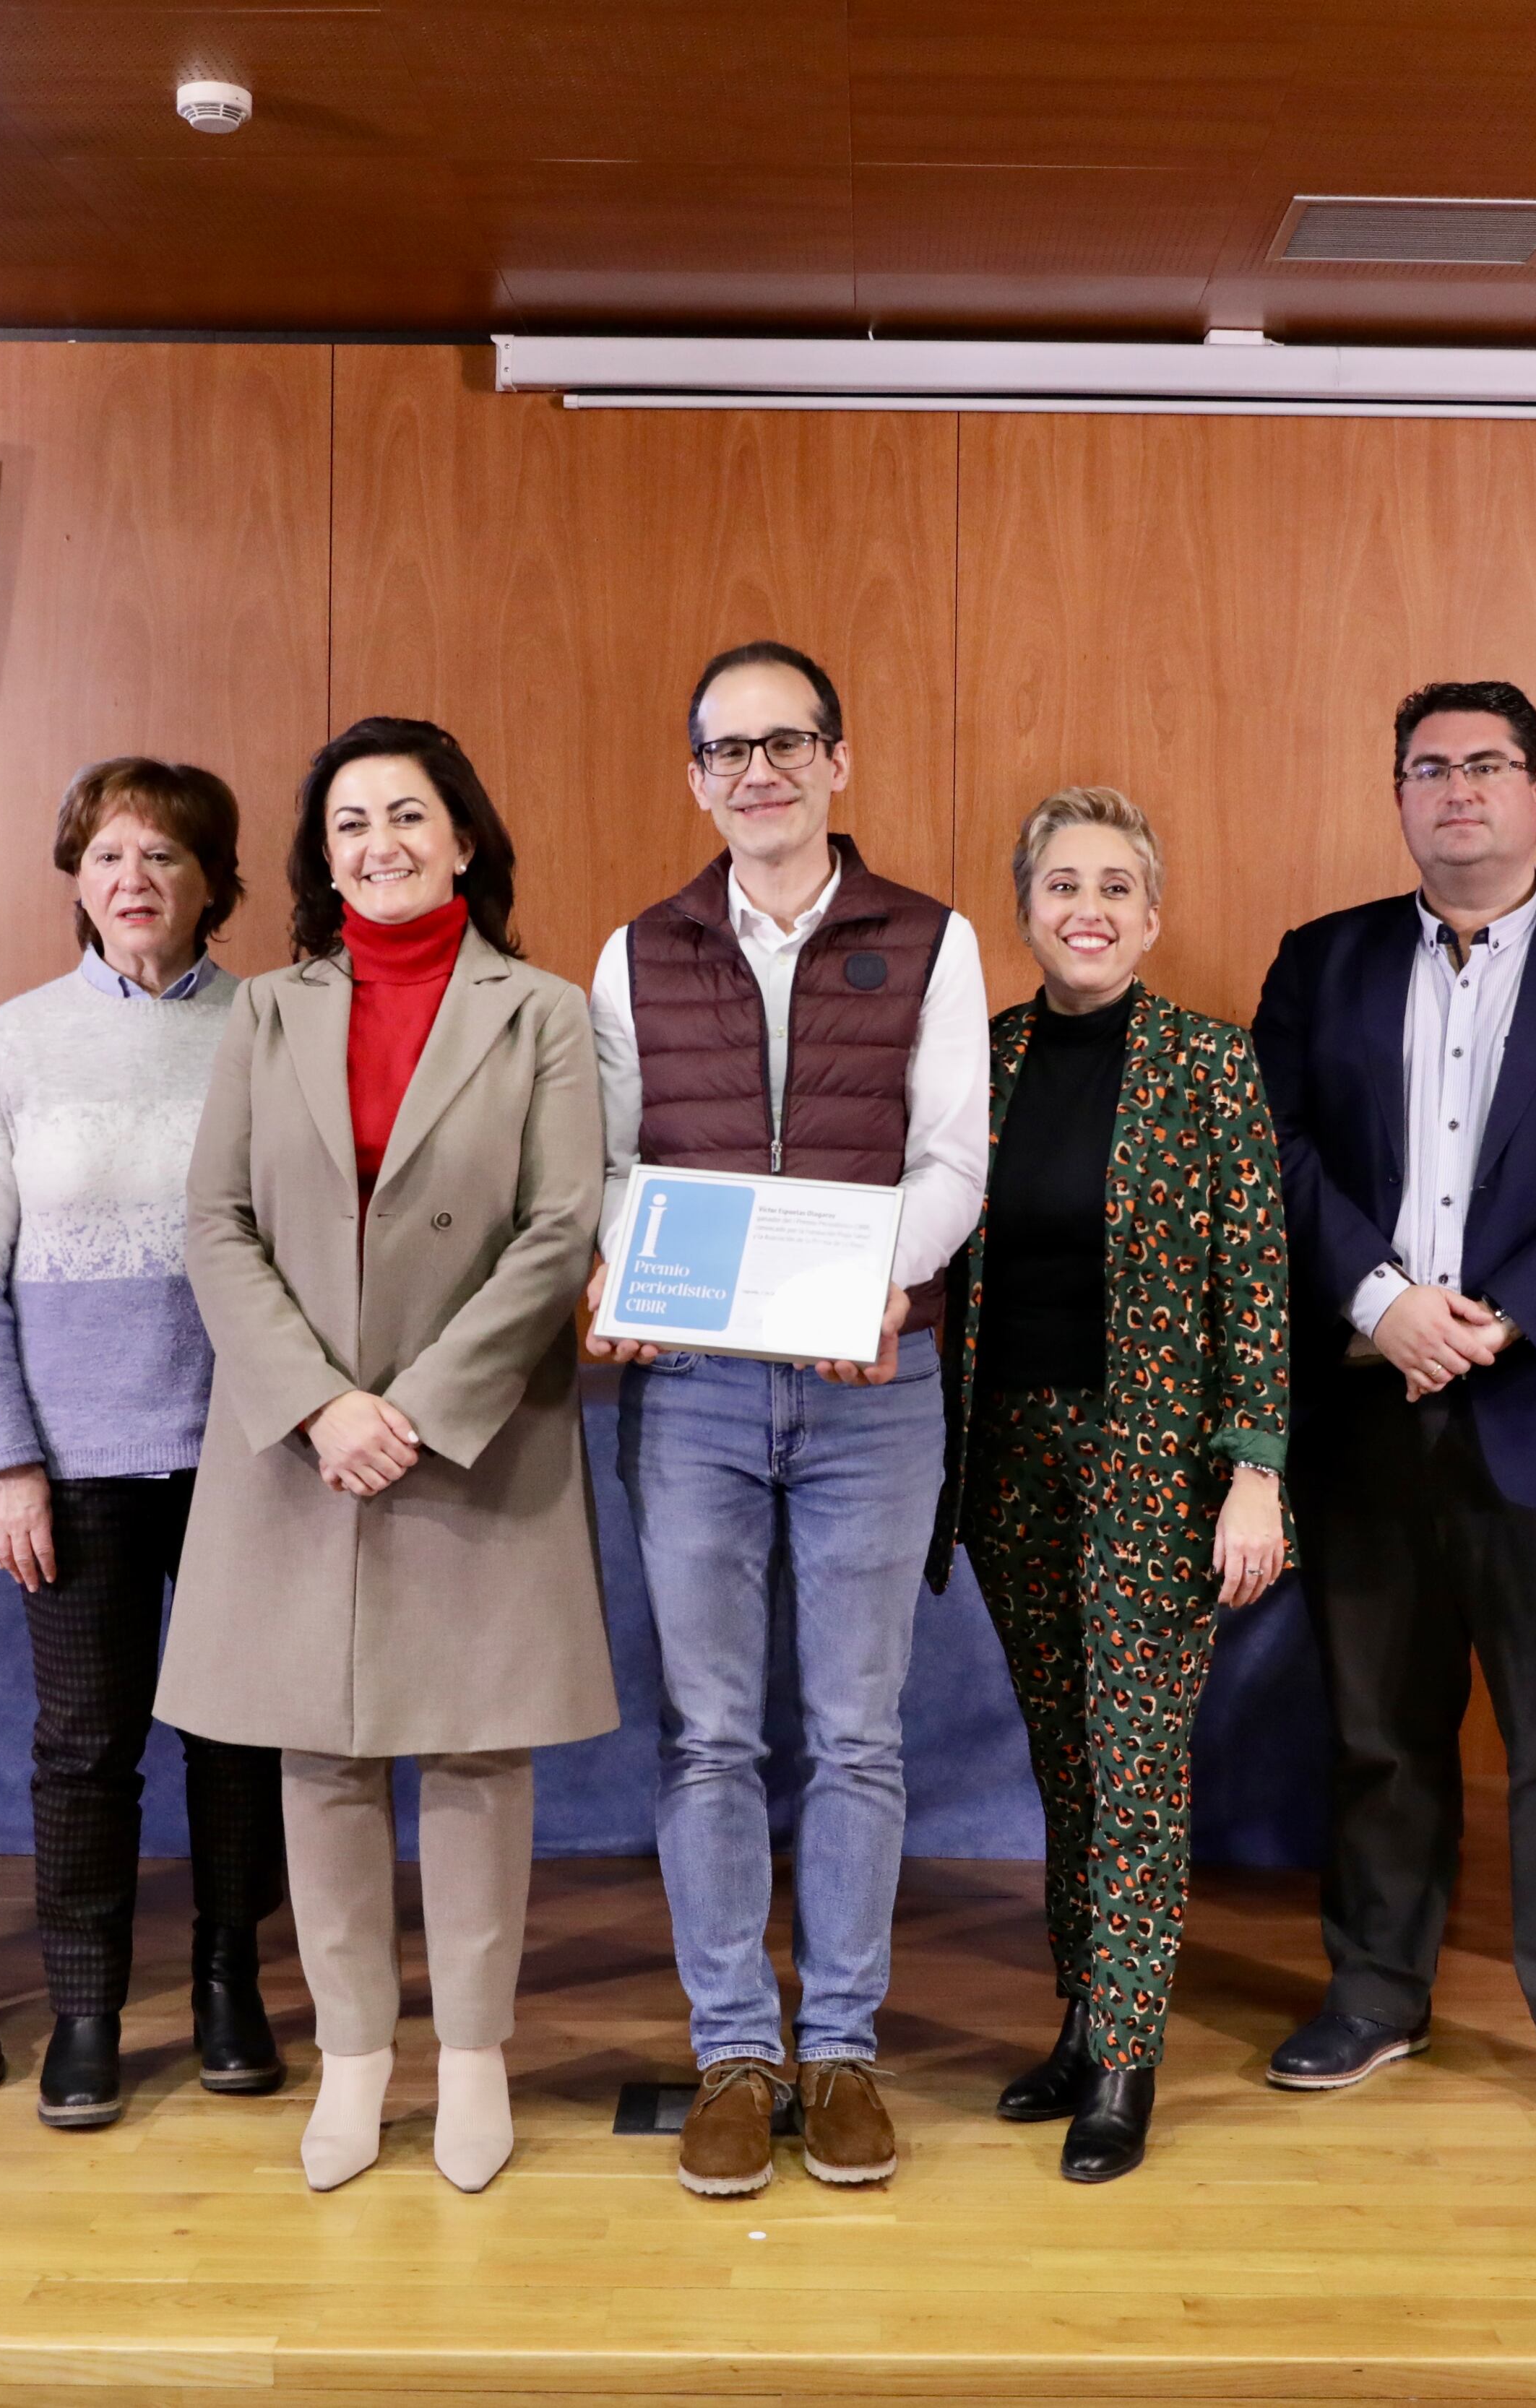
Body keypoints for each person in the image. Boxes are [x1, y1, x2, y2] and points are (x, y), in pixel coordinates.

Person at [1250, 678, 1536, 2146]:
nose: (1457, 789)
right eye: (1428, 767)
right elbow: (1274, 1150)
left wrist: (1501, 1313)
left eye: (1485, 765)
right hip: (1366, 1395)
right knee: (1380, 1730)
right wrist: (1380, 1298)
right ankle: (1377, 1989)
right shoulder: (1317, 964)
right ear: (1397, 795)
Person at [156, 717, 616, 2194]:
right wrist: (319, 1400)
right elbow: (214, 1220)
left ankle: (472, 2053)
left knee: (479, 1751)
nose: (380, 845)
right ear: (321, 854)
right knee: (325, 1751)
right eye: (350, 823)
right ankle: (355, 2056)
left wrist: (417, 1399)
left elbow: (561, 1224)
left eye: (407, 816)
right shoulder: (268, 1011)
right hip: (303, 1441)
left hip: (473, 1431)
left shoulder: (539, 1009)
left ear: (464, 836)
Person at [582, 640, 991, 2199]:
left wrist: (878, 1282)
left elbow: (950, 1155)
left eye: (787, 741)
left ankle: (842, 2051)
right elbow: (609, 1162)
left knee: (856, 1732)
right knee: (703, 1733)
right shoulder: (633, 952)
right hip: (689, 1390)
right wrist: (626, 1265)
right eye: (728, 749)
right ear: (696, 778)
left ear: (838, 761)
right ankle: (732, 2053)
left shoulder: (930, 940)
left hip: (870, 1386)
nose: (758, 770)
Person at [926, 787, 1292, 2184]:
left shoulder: (1211, 1065)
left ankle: (1128, 2058)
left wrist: (1254, 1473)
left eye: (1116, 886)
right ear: (1024, 907)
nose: (1088, 907)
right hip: (1009, 1454)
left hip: (1156, 1465)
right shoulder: (986, 1060)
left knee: (1136, 1761)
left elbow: (1258, 1283)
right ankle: (1085, 2013)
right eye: (1062, 883)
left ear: (1153, 913)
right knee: (1065, 1756)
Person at [0, 758, 290, 2131]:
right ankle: (86, 2006)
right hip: (71, 1466)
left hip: (253, 1458)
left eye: (168, 856)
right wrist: (2, 1460)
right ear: (78, 880)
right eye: (111, 856)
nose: (137, 880)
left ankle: (226, 1985)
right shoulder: (14, 1044)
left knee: (239, 1736)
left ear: (215, 884)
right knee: (83, 1746)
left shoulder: (274, 1029)